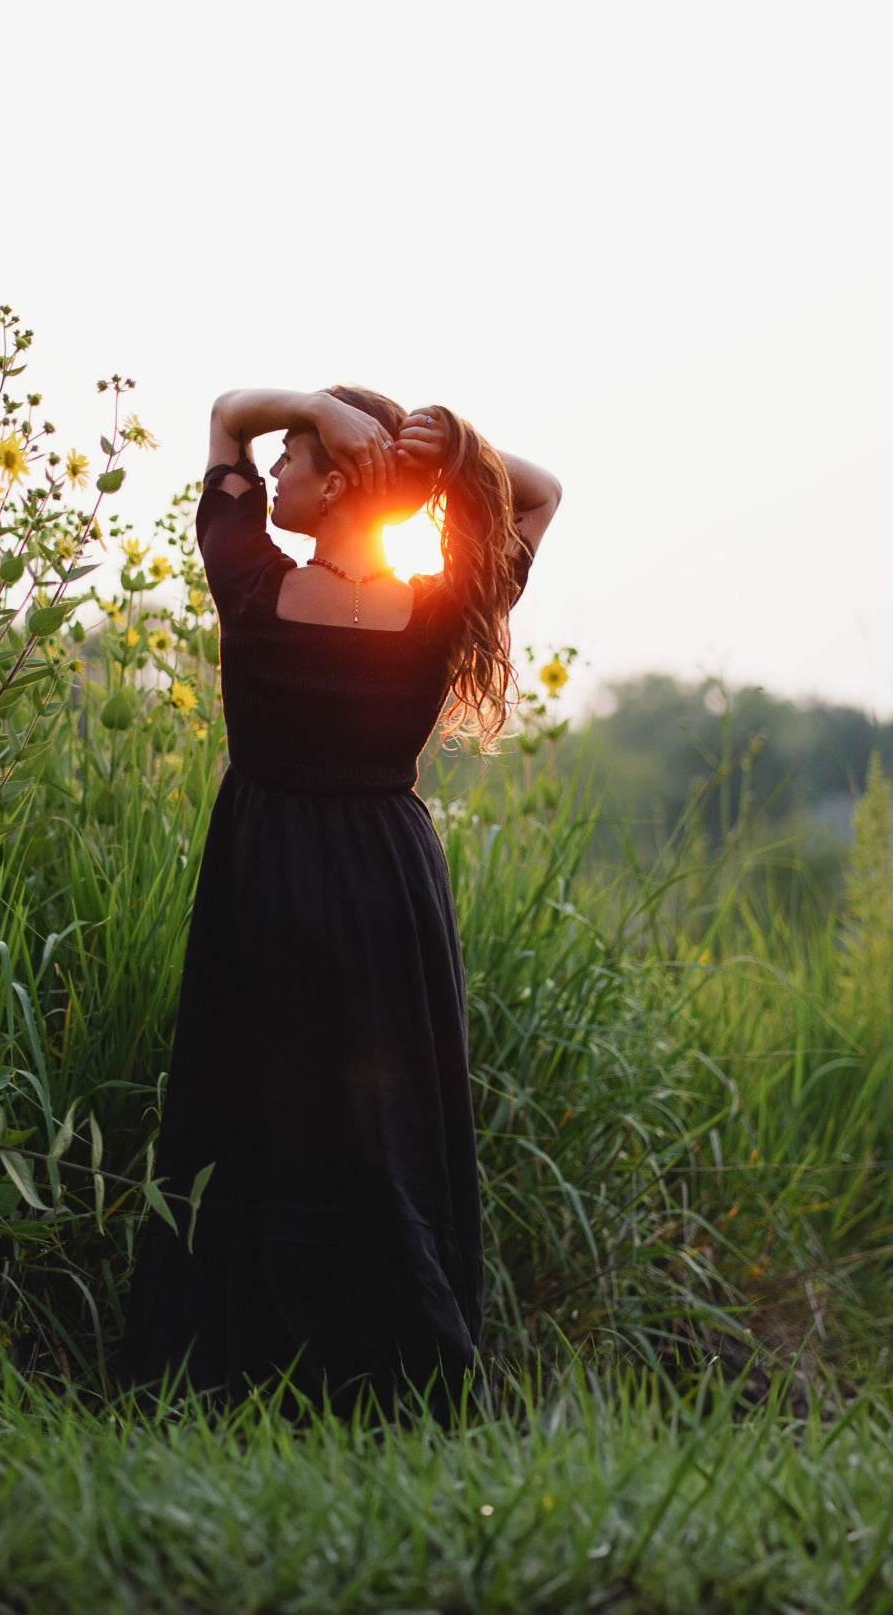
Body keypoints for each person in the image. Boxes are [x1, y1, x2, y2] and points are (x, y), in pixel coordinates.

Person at [114, 386, 561, 1423]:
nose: (273, 473)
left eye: (296, 456)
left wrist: (323, 404)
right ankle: (395, 1370)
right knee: (387, 1124)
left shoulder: (254, 583)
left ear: (342, 478)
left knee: (253, 1107)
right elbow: (538, 494)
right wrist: (445, 443)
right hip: (391, 884)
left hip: (268, 870)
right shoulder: (440, 606)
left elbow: (228, 413)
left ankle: (243, 1370)